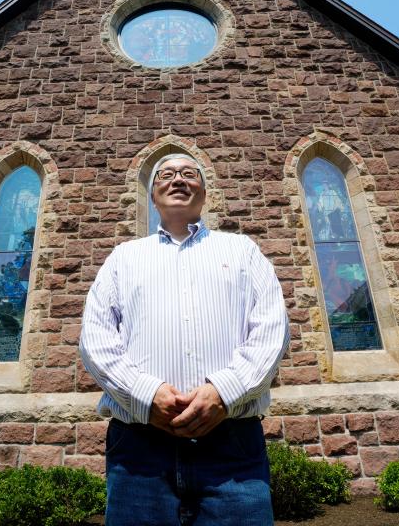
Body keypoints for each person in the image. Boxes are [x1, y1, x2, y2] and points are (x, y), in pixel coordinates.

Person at [79, 153, 290, 526]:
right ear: (153, 193)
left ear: (204, 193)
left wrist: (224, 392)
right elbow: (95, 338)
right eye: (167, 174)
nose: (178, 179)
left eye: (189, 174)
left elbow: (272, 329)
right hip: (139, 449)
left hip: (232, 449)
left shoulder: (242, 251)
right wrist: (145, 395)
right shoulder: (123, 257)